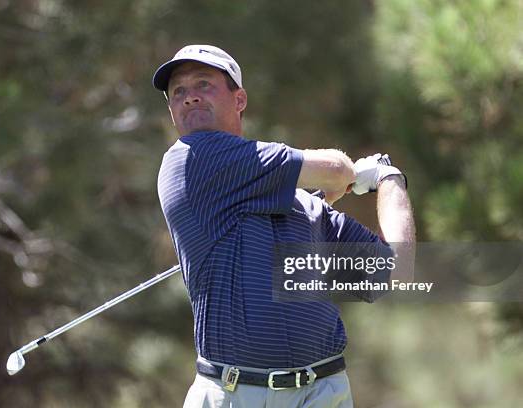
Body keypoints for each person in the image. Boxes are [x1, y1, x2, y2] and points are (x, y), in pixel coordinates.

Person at [153, 45, 415, 408]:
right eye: (178, 91)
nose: (189, 97)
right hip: (233, 394)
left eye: (204, 84)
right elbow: (337, 170)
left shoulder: (306, 206)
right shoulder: (191, 158)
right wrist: (369, 173)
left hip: (322, 392)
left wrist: (391, 182)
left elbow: (393, 272)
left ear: (239, 99)